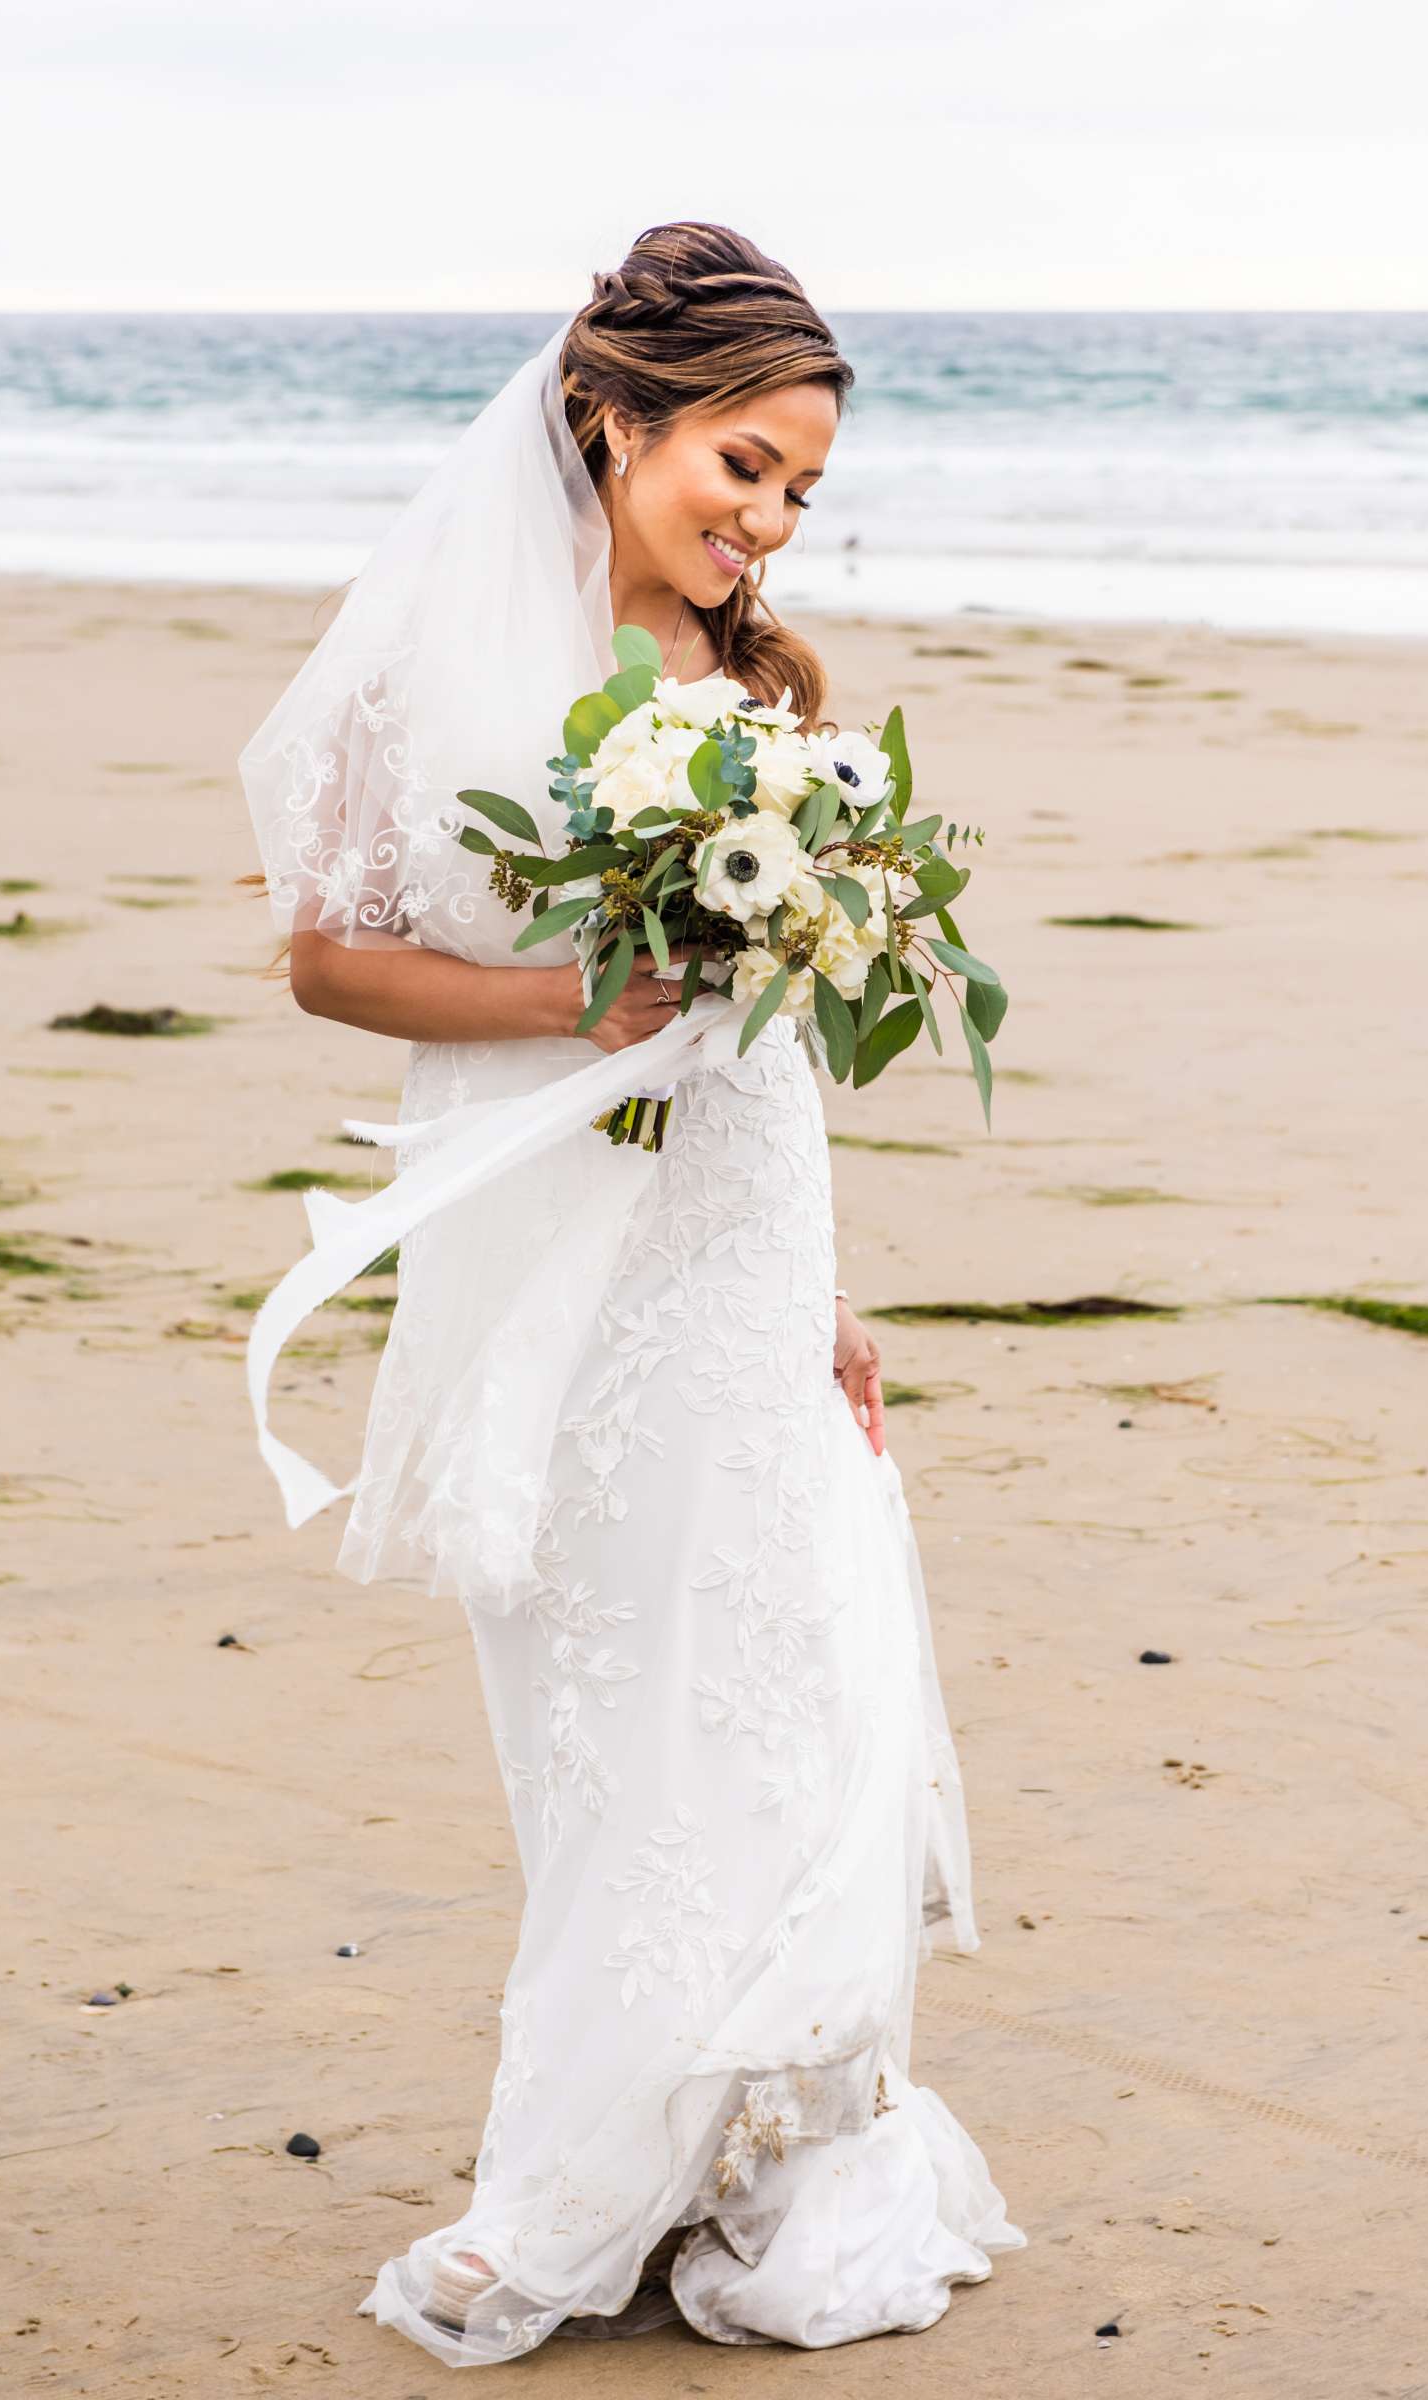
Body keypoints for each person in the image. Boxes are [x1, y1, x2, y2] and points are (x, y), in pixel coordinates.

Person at [239, 220, 1025, 2368]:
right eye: (739, 464)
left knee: (780, 1685)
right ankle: (588, 2166)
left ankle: (764, 2155)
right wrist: (557, 1001)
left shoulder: (766, 694)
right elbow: (324, 948)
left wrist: (835, 1298)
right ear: (611, 413)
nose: (761, 519)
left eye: (797, 490)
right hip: (560, 1250)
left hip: (750, 1248)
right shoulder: (438, 657)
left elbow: (767, 1050)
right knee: (607, 1716)